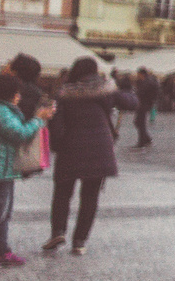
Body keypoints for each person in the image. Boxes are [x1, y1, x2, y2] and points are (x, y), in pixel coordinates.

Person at [42, 58, 137, 256]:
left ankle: (57, 232)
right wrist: (123, 86)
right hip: (100, 147)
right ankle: (79, 241)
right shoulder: (106, 89)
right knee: (90, 196)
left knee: (62, 193)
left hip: (70, 147)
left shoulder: (64, 93)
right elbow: (132, 103)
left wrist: (57, 146)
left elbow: (56, 123)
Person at [0, 74, 55, 266]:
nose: (19, 96)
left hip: (2, 171)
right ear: (8, 94)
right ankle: (0, 251)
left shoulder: (0, 108)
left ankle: (1, 252)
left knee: (2, 215)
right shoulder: (0, 111)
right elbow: (19, 133)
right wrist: (37, 120)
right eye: (16, 93)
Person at [132, 65, 158, 147]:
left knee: (140, 122)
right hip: (143, 103)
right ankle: (146, 139)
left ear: (141, 74)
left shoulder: (147, 82)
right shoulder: (146, 80)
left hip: (144, 104)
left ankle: (142, 141)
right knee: (138, 122)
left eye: (138, 74)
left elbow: (142, 92)